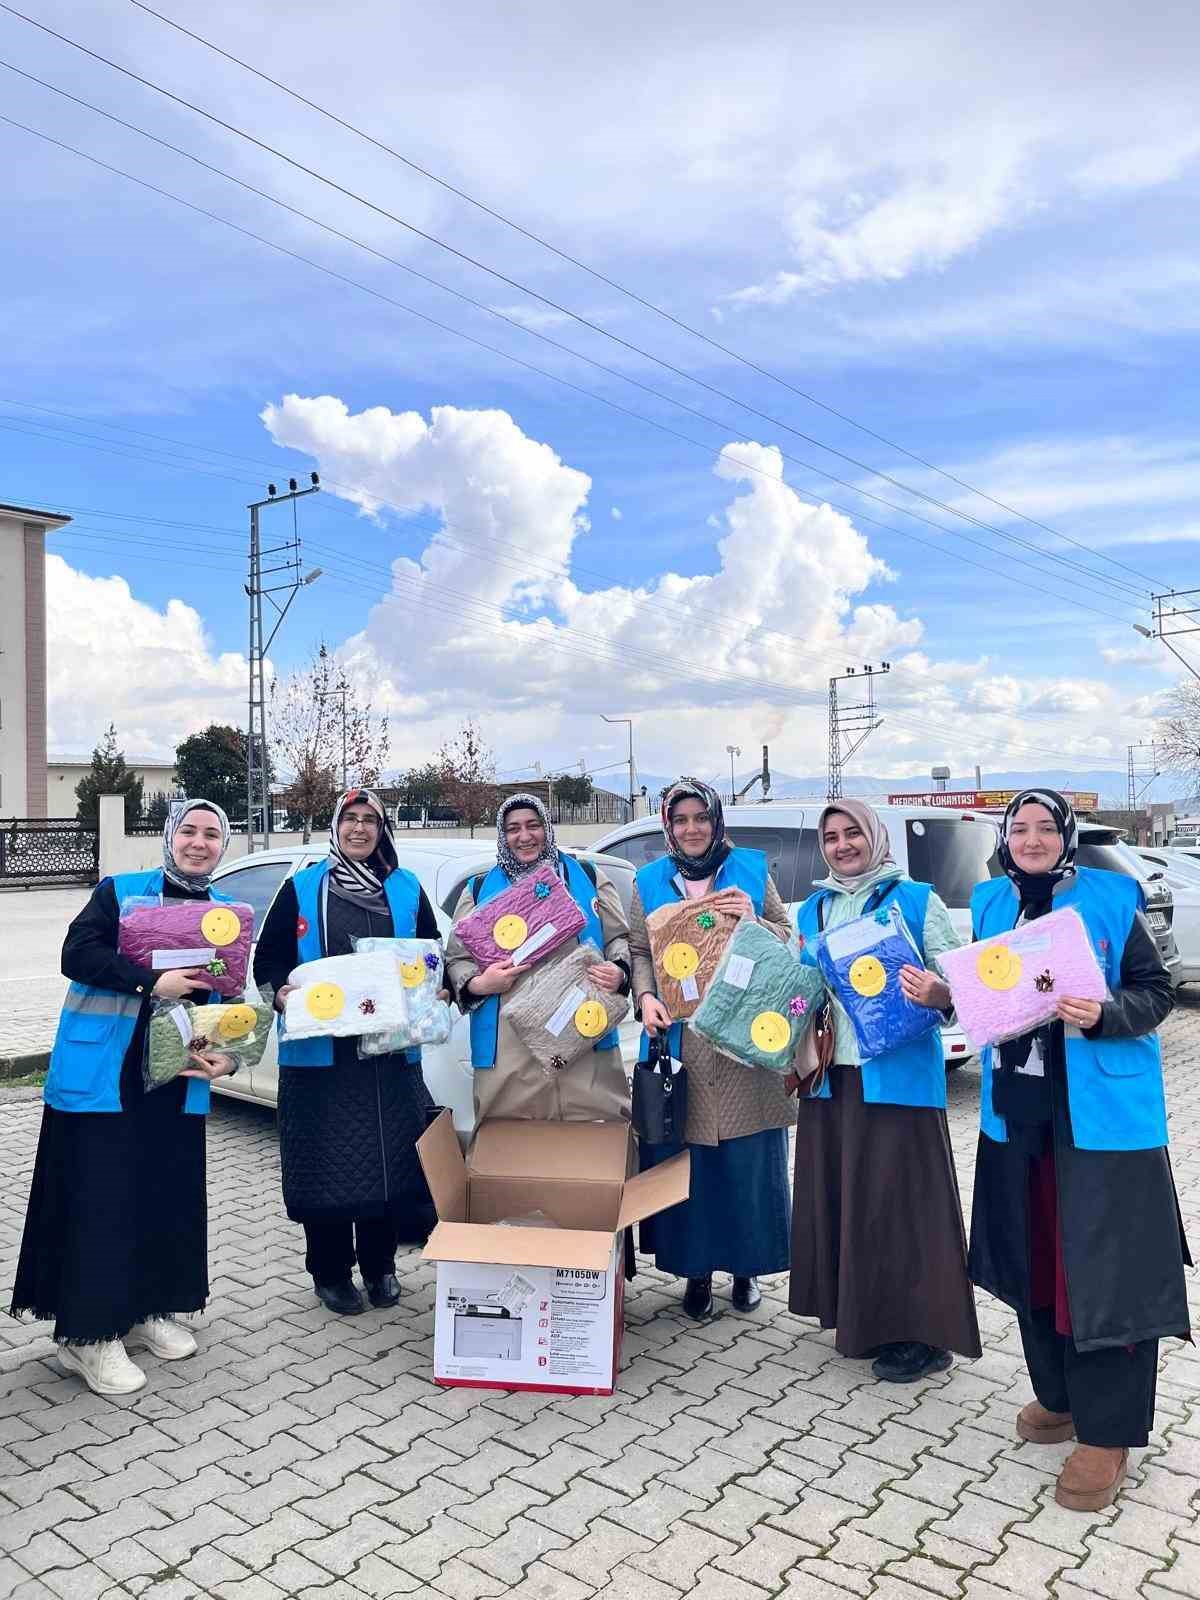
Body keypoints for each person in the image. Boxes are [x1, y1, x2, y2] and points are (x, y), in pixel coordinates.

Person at [968, 789, 1188, 1512]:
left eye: (1044, 828)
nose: (1031, 839)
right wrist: (947, 994)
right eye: (1019, 828)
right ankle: (1058, 1396)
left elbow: (1154, 992)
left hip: (1102, 1121)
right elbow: (986, 1000)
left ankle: (1109, 1432)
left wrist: (1103, 1014)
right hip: (1019, 1116)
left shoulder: (1113, 896)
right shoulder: (989, 903)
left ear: (1065, 836)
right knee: (1037, 1258)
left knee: (1105, 1273)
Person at [10, 800, 239, 1395]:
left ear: (223, 846)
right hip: (105, 1078)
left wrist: (229, 1057)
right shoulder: (122, 891)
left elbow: (234, 999)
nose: (198, 842)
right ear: (169, 836)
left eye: (212, 834)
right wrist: (148, 982)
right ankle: (86, 1336)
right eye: (188, 830)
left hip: (172, 1079)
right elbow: (75, 955)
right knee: (101, 1200)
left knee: (162, 1194)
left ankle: (145, 1308)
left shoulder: (223, 916)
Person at [789, 799, 982, 1383]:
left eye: (853, 833)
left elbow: (963, 986)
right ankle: (864, 1318)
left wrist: (941, 994)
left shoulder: (917, 900)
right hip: (832, 1078)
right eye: (831, 837)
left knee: (904, 1208)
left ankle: (925, 1335)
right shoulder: (814, 910)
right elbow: (803, 991)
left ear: (874, 836)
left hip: (899, 1080)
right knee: (851, 1200)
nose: (842, 845)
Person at [253, 790, 440, 1316]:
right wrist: (282, 993)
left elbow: (431, 955)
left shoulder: (404, 889)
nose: (360, 829)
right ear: (335, 827)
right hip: (321, 1059)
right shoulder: (301, 888)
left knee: (388, 1163)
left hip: (387, 1054)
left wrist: (435, 987)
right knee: (325, 1167)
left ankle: (381, 1266)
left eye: (370, 821)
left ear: (383, 829)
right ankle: (330, 1272)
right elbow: (268, 962)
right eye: (350, 820)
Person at [631, 778, 794, 1319]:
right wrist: (647, 994)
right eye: (681, 820)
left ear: (716, 819)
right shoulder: (649, 880)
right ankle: (696, 1272)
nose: (692, 828)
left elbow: (785, 934)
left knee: (746, 1162)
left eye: (701, 817)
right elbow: (637, 948)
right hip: (684, 1045)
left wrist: (753, 916)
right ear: (667, 825)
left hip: (746, 1043)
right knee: (692, 1162)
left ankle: (746, 1269)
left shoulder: (749, 869)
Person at [445, 793, 631, 1122]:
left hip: (583, 1034)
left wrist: (619, 971)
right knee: (511, 1148)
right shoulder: (478, 891)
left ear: (547, 827)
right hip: (509, 1049)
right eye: (513, 828)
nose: (525, 836)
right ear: (503, 836)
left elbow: (619, 937)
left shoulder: (587, 878)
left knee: (596, 1144)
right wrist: (478, 983)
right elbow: (456, 959)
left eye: (533, 825)